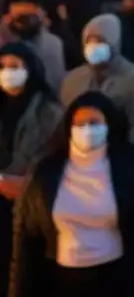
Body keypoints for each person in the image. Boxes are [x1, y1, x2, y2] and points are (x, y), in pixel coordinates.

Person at [8, 92, 134, 297]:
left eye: (94, 122)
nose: (87, 130)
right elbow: (27, 237)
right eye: (80, 124)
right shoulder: (47, 171)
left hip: (119, 276)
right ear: (69, 129)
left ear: (109, 124)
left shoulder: (132, 165)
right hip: (62, 279)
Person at [0, 43, 64, 295]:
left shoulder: (50, 112)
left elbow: (52, 159)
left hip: (31, 207)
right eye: (2, 67)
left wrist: (25, 186)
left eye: (14, 67)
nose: (7, 72)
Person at [60, 16, 134, 150]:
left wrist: (133, 157)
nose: (94, 47)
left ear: (113, 44)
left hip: (118, 153)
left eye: (100, 41)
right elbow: (64, 122)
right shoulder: (73, 79)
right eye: (89, 42)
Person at [1, 0, 65, 93]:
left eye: (30, 18)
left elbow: (56, 84)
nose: (25, 23)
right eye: (20, 18)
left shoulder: (52, 44)